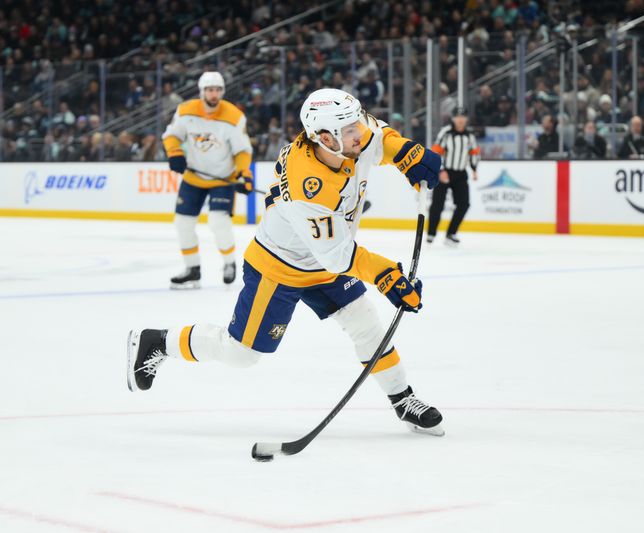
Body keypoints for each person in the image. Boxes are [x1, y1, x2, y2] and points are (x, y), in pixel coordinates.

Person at [127, 89, 445, 436]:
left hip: (325, 261)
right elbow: (338, 255)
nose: (361, 134)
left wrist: (404, 151)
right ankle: (157, 341)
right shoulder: (308, 183)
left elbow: (377, 134)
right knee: (241, 354)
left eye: (357, 124)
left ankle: (402, 398)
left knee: (366, 324)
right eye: (351, 130)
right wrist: (386, 275)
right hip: (279, 267)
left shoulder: (345, 134)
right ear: (325, 138)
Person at [162, 72, 254, 289]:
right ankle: (192, 269)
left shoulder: (234, 117)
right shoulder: (185, 111)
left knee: (218, 222)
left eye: (217, 90)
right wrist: (174, 152)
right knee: (182, 223)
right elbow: (171, 135)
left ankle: (230, 262)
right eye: (209, 89)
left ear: (222, 92)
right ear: (202, 91)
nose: (214, 94)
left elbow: (242, 150)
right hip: (193, 177)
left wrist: (244, 174)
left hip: (223, 179)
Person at [428, 106, 480, 246]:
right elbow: (436, 152)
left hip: (461, 173)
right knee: (437, 204)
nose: (460, 120)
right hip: (445, 171)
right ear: (453, 118)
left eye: (463, 117)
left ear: (466, 119)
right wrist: (441, 170)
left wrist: (474, 168)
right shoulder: (445, 133)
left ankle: (451, 234)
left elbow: (474, 152)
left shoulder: (470, 136)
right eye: (457, 117)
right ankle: (431, 234)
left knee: (464, 204)